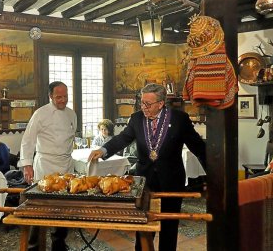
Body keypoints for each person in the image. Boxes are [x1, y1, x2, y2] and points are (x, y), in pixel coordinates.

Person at [88, 83, 206, 251]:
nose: (144, 107)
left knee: (169, 224)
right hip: (145, 181)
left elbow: (198, 146)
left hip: (171, 180)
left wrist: (214, 173)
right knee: (143, 223)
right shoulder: (136, 118)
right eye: (142, 102)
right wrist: (103, 149)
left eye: (148, 104)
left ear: (161, 103)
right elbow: (123, 138)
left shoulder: (179, 119)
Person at [19, 81, 77, 251]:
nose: (63, 100)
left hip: (66, 164)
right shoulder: (40, 114)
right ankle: (34, 245)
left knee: (64, 208)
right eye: (59, 97)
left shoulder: (72, 114)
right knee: (39, 207)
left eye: (65, 96)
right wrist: (27, 165)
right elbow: (28, 140)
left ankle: (59, 242)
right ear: (50, 96)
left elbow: (71, 139)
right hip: (45, 165)